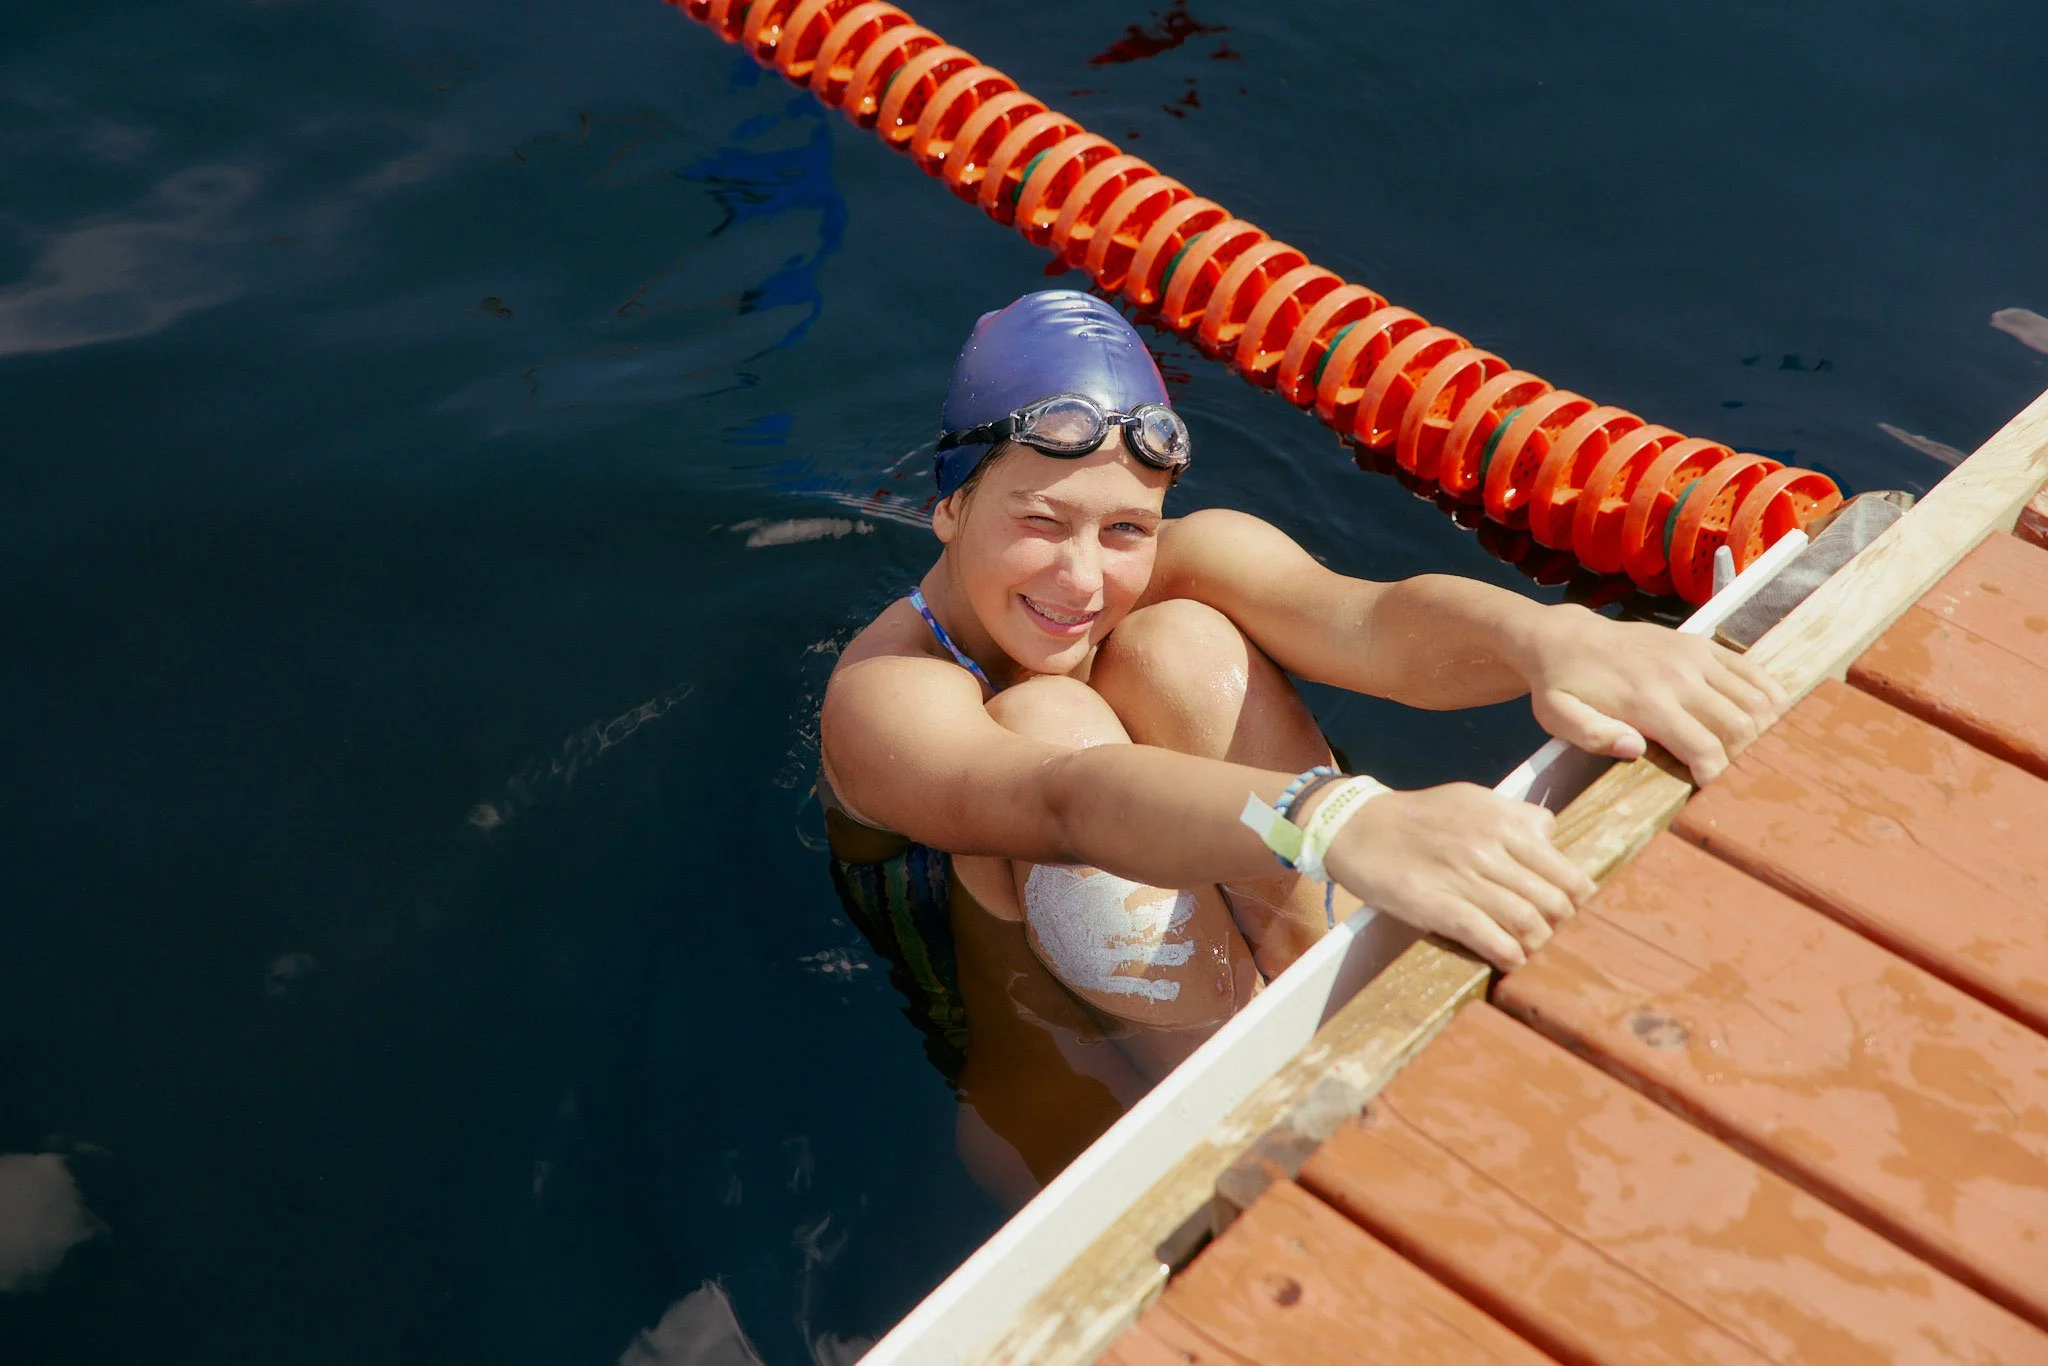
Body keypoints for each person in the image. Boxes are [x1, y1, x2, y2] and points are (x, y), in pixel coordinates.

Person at [817, 289, 1787, 1204]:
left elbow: (1365, 624)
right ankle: (1258, 1109)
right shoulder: (882, 699)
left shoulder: (1172, 569)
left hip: (1215, 922)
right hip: (1062, 1076)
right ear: (949, 507)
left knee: (1183, 644)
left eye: (1124, 528)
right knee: (1048, 721)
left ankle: (1357, 1006)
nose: (1082, 577)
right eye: (1039, 521)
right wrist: (1333, 815)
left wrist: (1551, 639)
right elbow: (1063, 795)